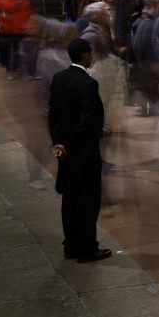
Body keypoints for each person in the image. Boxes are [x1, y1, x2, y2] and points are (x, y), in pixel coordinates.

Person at [48, 38, 111, 263]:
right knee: (87, 200)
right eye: (90, 53)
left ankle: (71, 246)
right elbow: (87, 122)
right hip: (83, 153)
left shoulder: (59, 78)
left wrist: (58, 143)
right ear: (84, 55)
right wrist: (70, 145)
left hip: (64, 153)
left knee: (69, 198)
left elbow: (53, 114)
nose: (92, 56)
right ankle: (86, 249)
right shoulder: (88, 84)